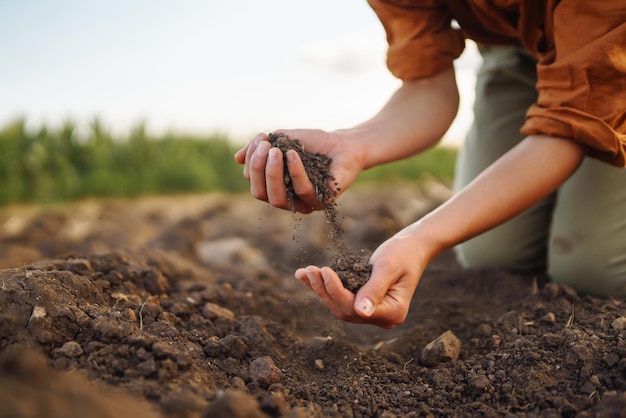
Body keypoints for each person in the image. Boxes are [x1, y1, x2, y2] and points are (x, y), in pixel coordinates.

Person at [235, 1, 626, 329]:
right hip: (514, 46)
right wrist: (353, 143)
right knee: (492, 254)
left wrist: (421, 238)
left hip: (613, 39)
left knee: (593, 272)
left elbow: (566, 128)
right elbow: (427, 86)